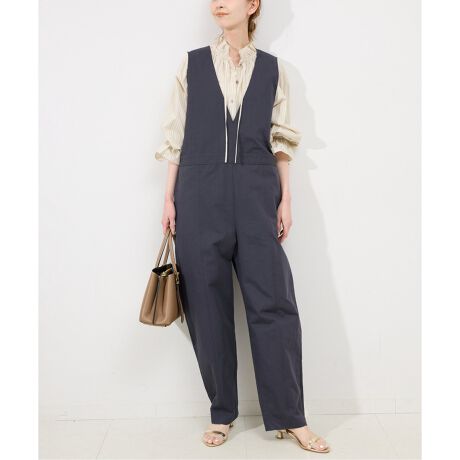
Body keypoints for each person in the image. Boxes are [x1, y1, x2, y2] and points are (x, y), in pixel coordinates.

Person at [154, 0, 330, 454]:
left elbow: (281, 138)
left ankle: (291, 417)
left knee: (274, 303)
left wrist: (286, 198)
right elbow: (174, 136)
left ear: (253, 5)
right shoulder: (191, 65)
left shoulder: (273, 69)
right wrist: (169, 198)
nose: (218, 2)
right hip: (198, 195)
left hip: (256, 196)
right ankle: (222, 413)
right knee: (206, 306)